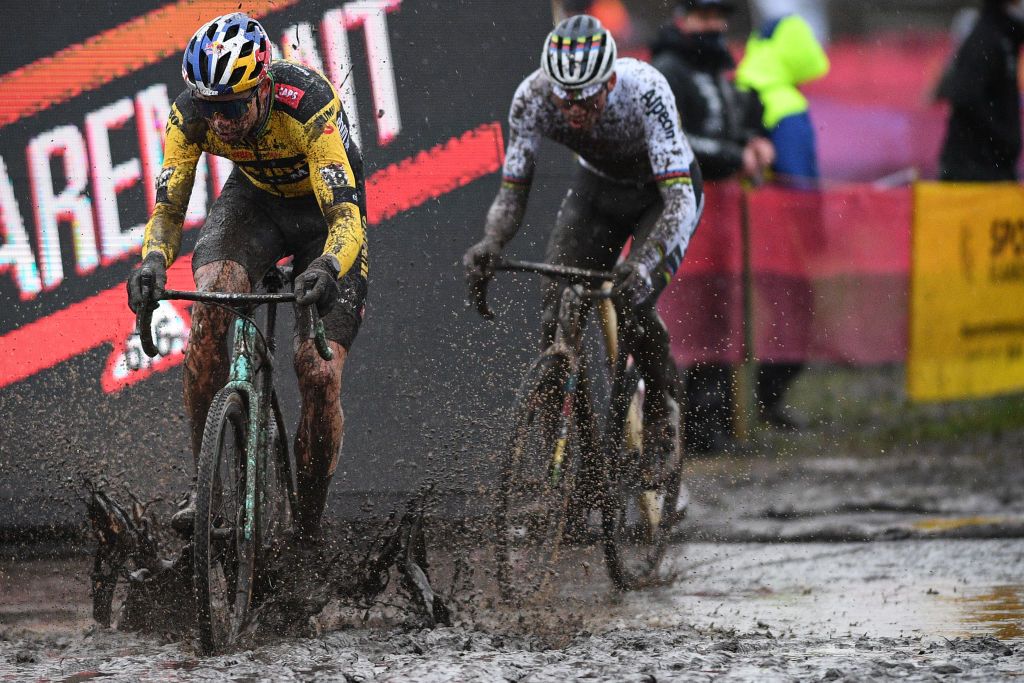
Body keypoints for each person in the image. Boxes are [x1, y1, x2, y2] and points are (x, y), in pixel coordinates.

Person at [126, 13, 368, 543]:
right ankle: (205, 486)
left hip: (323, 221)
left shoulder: (306, 102)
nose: (222, 123)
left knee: (319, 373)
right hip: (254, 204)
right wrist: (151, 263)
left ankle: (308, 528)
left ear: (261, 88)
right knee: (212, 306)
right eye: (211, 108)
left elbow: (346, 220)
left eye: (232, 106)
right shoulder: (192, 115)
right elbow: (168, 211)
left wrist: (327, 266)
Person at [463, 15, 704, 483]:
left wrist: (643, 261)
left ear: (611, 80)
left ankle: (661, 404)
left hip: (663, 195)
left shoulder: (646, 90)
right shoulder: (532, 98)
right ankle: (567, 456)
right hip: (599, 192)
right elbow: (513, 192)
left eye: (587, 96)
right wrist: (491, 241)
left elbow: (679, 201)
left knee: (633, 297)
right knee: (556, 299)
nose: (574, 108)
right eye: (564, 97)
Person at [650, 0, 775, 451]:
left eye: (720, 16)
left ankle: (716, 424)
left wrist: (749, 143)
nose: (714, 25)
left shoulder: (715, 67)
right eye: (705, 16)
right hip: (682, 220)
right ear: (684, 17)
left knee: (718, 318)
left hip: (716, 221)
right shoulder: (669, 70)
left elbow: (725, 128)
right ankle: (687, 429)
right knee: (687, 323)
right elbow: (674, 140)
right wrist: (732, 156)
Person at [736, 11, 828, 430]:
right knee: (796, 315)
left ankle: (733, 410)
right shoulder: (783, 101)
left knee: (731, 317)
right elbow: (798, 177)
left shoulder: (741, 84)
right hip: (783, 233)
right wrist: (814, 232)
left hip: (741, 229)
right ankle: (767, 401)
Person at [937, 0, 1024, 182]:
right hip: (976, 172)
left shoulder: (1006, 38)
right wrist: (1004, 138)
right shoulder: (987, 39)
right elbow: (964, 97)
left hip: (991, 168)